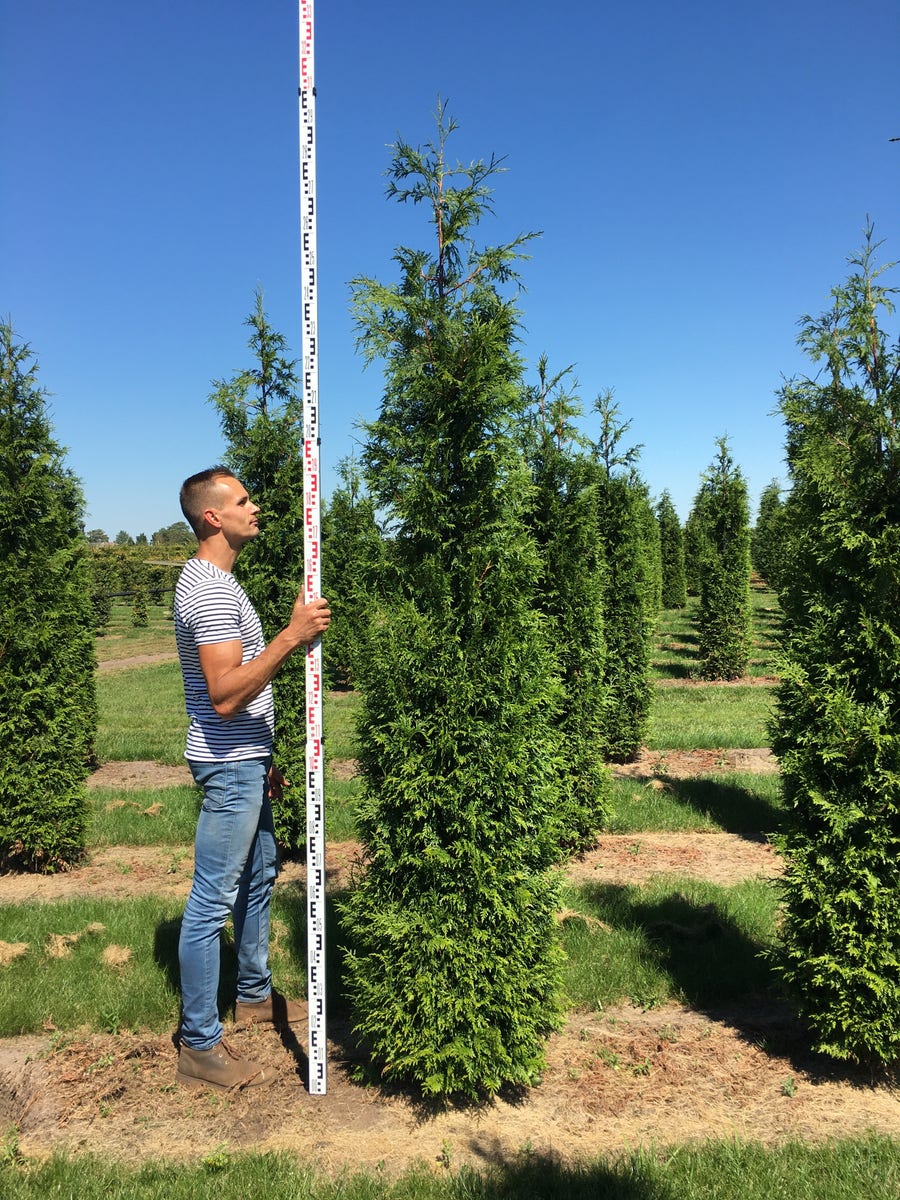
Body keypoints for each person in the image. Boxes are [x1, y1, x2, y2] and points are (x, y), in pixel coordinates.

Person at [172, 466, 331, 1092]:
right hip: (228, 763)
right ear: (214, 517)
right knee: (211, 901)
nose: (254, 507)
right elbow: (224, 695)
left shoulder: (219, 583)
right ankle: (200, 1045)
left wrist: (265, 754)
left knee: (259, 874)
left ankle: (253, 993)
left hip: (246, 761)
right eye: (242, 501)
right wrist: (293, 636)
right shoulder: (209, 591)